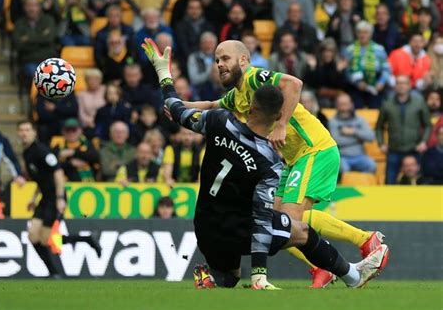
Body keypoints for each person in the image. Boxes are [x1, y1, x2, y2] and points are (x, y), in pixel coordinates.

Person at [143, 41, 388, 289]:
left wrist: (281, 125)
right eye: (217, 60)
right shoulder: (238, 95)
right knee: (278, 221)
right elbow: (210, 106)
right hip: (292, 158)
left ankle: (364, 240)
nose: (219, 64)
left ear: (243, 60)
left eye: (225, 58)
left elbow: (294, 84)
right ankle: (322, 266)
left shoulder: (253, 78)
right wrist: (175, 105)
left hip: (313, 148)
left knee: (289, 222)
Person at [17, 121, 100, 278]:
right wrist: (33, 198)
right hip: (45, 198)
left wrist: (60, 198)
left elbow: (58, 173)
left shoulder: (42, 151)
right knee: (33, 236)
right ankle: (85, 241)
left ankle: (54, 273)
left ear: (34, 133)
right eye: (21, 130)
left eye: (27, 130)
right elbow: (41, 178)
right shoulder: (27, 153)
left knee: (44, 239)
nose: (24, 133)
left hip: (55, 198)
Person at [376, 75, 432, 184]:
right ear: (395, 86)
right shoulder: (387, 104)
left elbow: (428, 125)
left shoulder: (419, 103)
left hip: (414, 149)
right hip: (394, 150)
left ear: (409, 85)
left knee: (418, 183)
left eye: (404, 83)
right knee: (390, 183)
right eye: (398, 83)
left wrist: (424, 142)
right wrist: (381, 143)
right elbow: (379, 127)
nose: (401, 86)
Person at [344, 20, 390, 108]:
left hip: (375, 85)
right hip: (356, 86)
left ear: (370, 34)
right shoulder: (350, 50)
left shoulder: (379, 49)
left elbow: (386, 69)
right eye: (360, 32)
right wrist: (357, 84)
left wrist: (381, 83)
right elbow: (346, 71)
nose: (362, 35)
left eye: (365, 32)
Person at [329, 93, 376, 174]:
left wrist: (353, 132)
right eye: (341, 104)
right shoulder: (333, 121)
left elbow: (371, 136)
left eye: (346, 104)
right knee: (342, 168)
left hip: (360, 156)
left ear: (351, 104)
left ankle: (362, 184)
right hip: (343, 157)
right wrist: (359, 139)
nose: (344, 107)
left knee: (371, 165)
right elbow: (336, 141)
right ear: (337, 106)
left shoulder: (360, 120)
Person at [12, 0, 57, 79]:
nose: (31, 9)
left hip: (48, 61)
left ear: (39, 8)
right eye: (29, 6)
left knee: (56, 76)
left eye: (34, 5)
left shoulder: (48, 20)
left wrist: (28, 38)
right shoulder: (19, 23)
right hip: (29, 61)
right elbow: (18, 45)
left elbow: (49, 39)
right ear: (24, 8)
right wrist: (41, 37)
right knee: (39, 76)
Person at [304, 37, 347, 107]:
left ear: (334, 52)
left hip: (334, 94)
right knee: (325, 102)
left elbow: (342, 85)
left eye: (330, 51)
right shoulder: (315, 62)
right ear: (321, 52)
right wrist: (312, 69)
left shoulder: (339, 63)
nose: (327, 54)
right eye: (325, 51)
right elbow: (311, 83)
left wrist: (338, 72)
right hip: (318, 95)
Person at [77, 68, 106, 139]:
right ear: (86, 81)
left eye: (96, 79)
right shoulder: (81, 95)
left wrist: (97, 121)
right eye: (90, 79)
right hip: (88, 125)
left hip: (104, 122)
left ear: (100, 80)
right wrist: (90, 122)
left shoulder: (106, 90)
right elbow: (81, 113)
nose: (93, 82)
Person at [187, 32, 218, 97]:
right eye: (205, 43)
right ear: (201, 44)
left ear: (215, 44)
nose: (208, 46)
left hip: (218, 90)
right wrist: (211, 72)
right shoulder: (193, 57)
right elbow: (194, 80)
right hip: (199, 91)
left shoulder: (219, 57)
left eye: (211, 43)